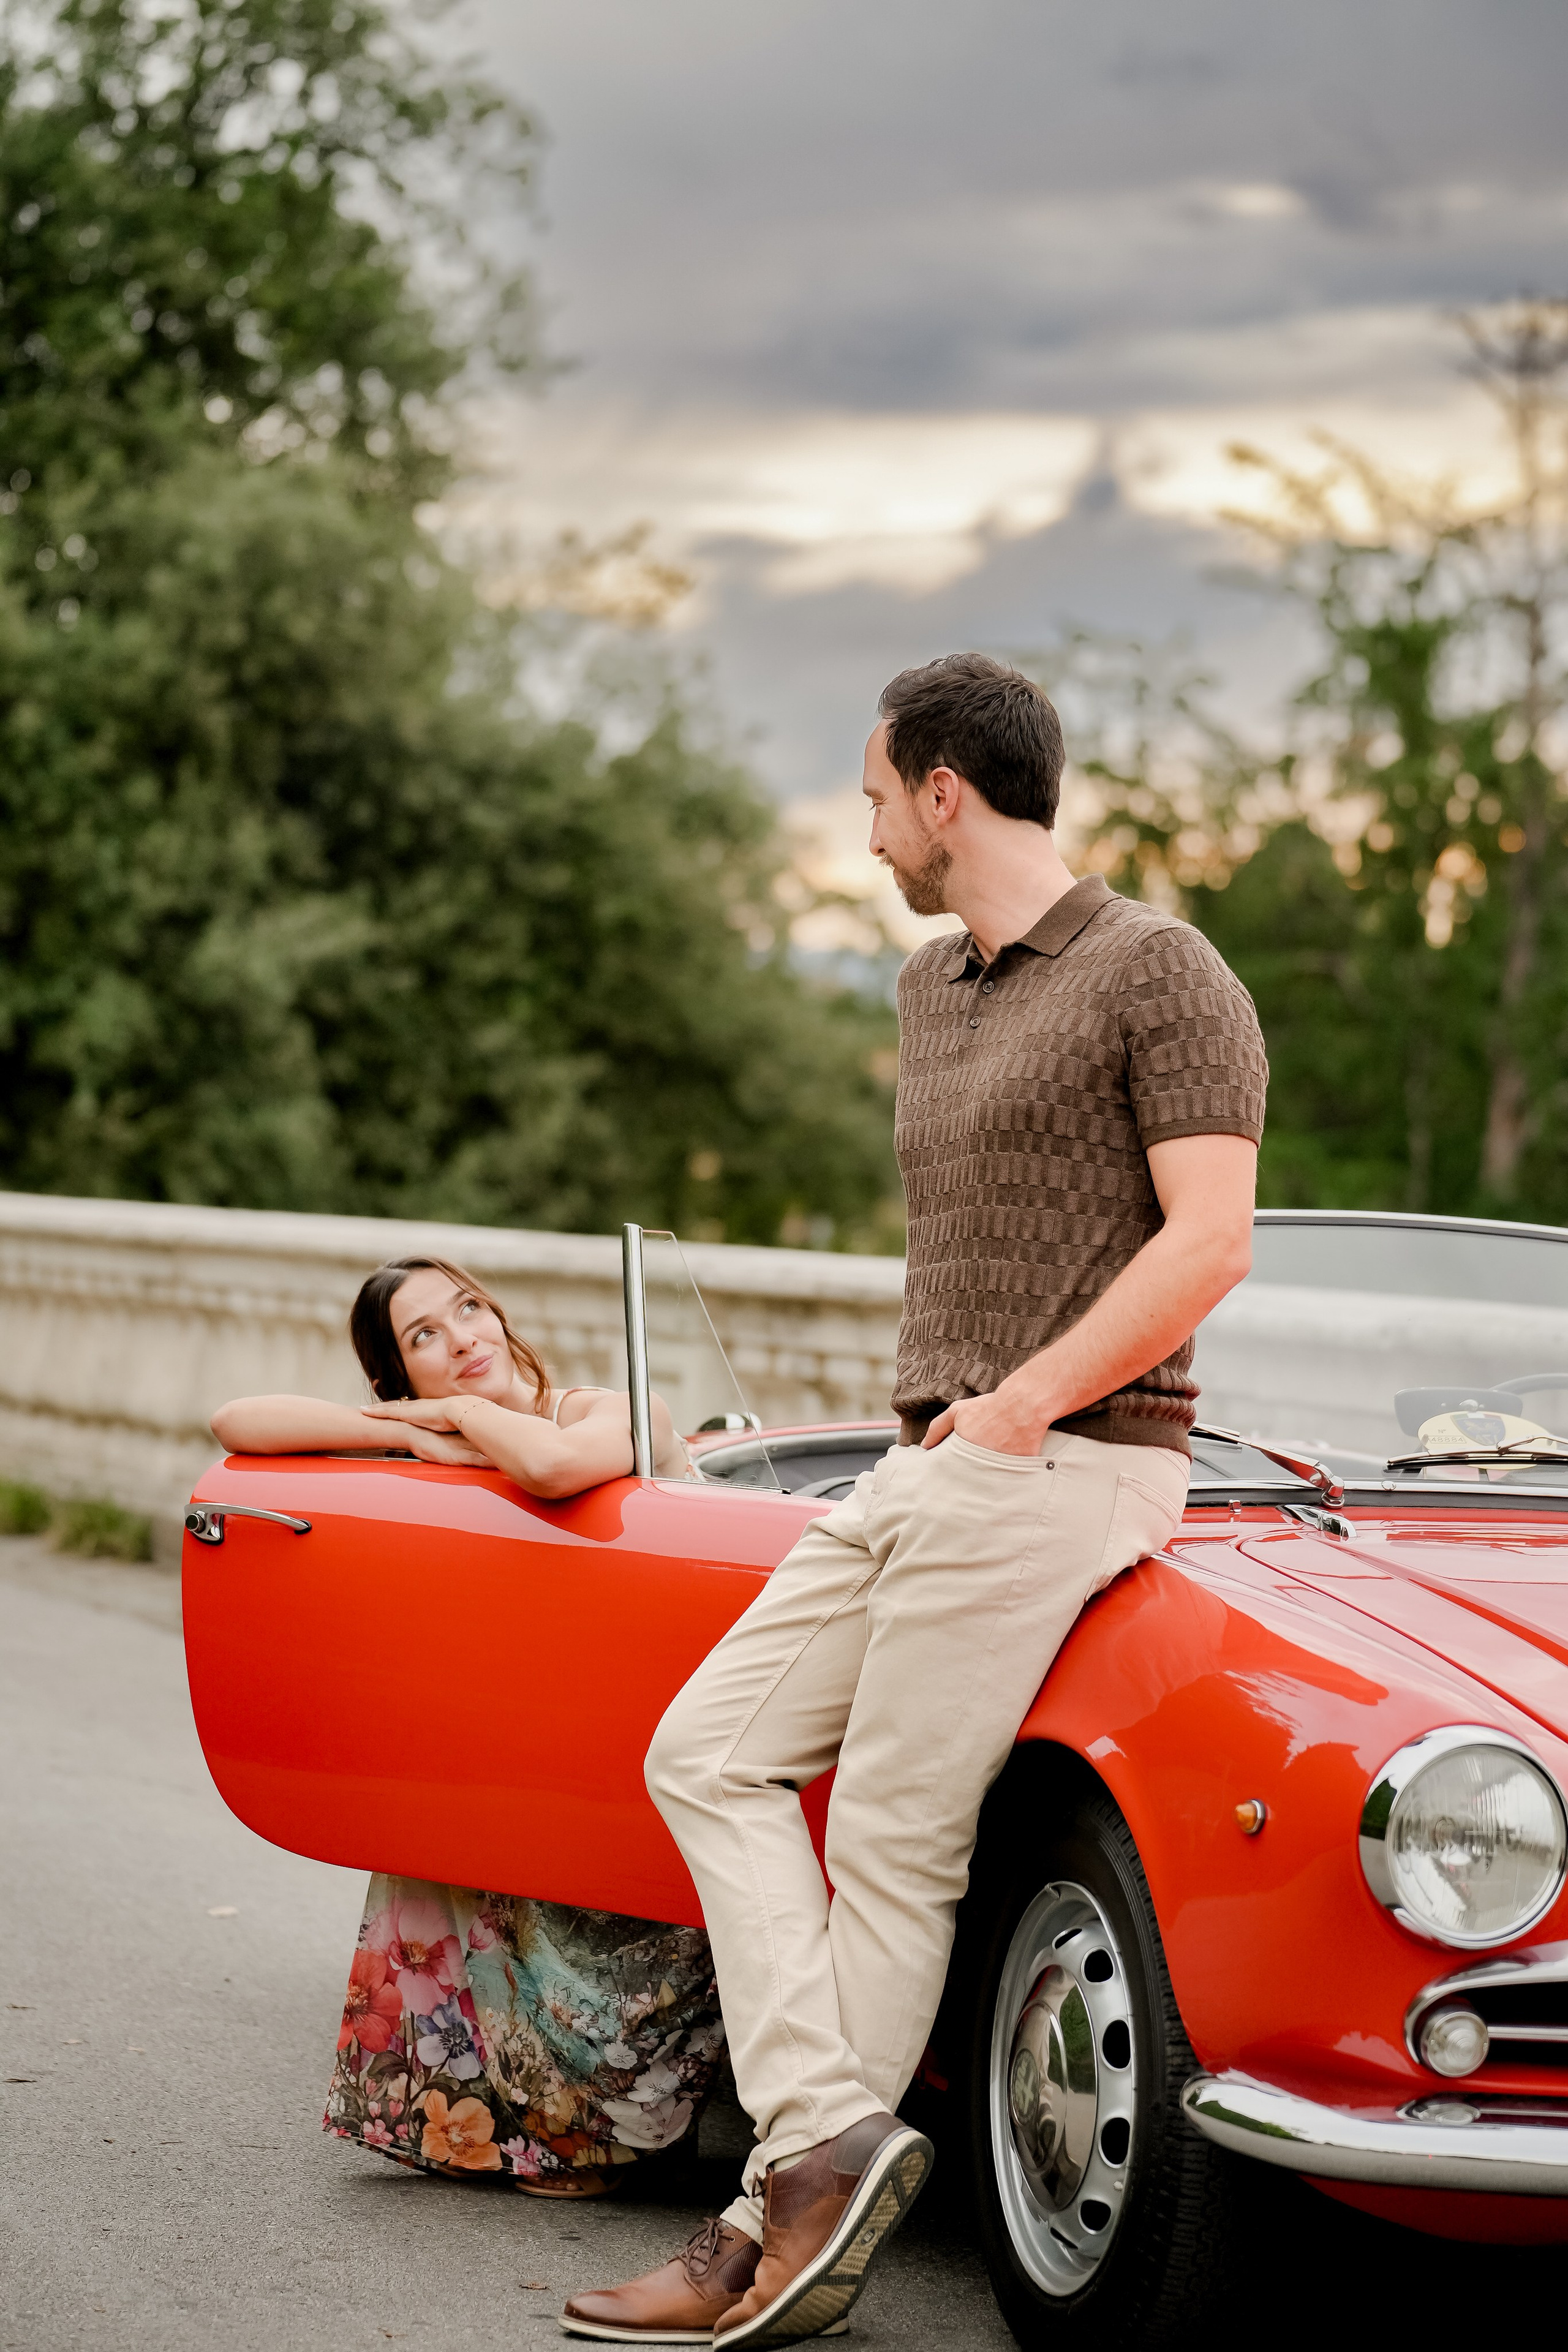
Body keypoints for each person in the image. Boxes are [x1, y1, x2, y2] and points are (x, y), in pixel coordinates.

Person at [564, 655, 1268, 2343]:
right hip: (932, 1456)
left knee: (888, 1844)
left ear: (946, 792)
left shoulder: (1164, 972)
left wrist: (1026, 1402)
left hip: (1068, 1458)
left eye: (878, 795)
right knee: (708, 1750)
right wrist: (965, 1420)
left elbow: (1213, 1240)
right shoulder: (926, 985)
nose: (869, 827)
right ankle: (829, 2141)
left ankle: (761, 2234)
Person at [211, 1254, 725, 2200]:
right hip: (553, 1720)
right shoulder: (430, 1426)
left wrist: (463, 1424)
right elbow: (236, 1424)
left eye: (470, 1309)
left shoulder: (607, 1410)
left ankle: (597, 2127)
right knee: (444, 1807)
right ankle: (508, 2122)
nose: (465, 1339)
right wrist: (413, 1436)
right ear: (398, 1378)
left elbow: (556, 1468)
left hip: (670, 1716)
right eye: (426, 1338)